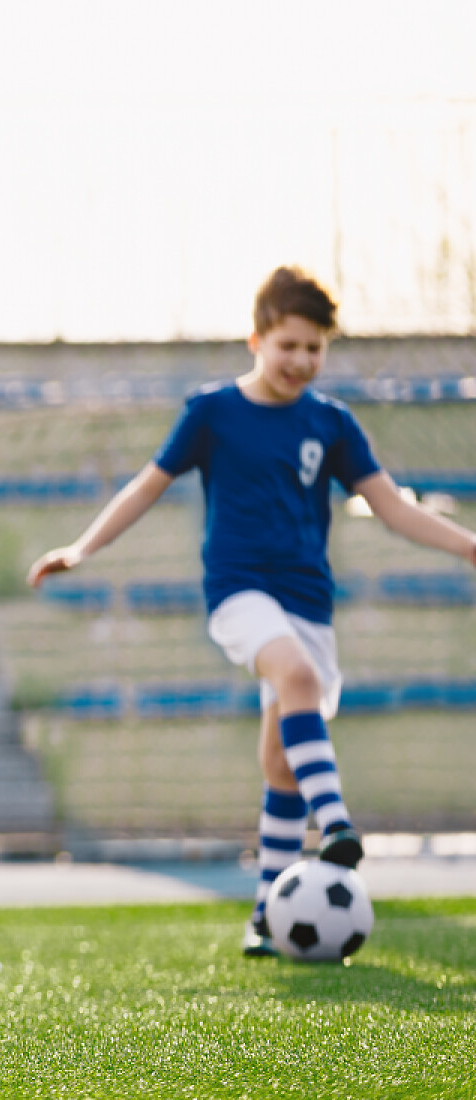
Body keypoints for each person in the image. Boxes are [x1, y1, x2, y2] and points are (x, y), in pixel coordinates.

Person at [27, 266, 476, 957]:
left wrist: (469, 547)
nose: (300, 360)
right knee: (293, 678)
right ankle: (337, 826)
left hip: (309, 603)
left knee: (279, 762)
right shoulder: (211, 412)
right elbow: (147, 487)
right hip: (238, 592)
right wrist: (82, 548)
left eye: (314, 349)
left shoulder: (331, 423)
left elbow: (391, 507)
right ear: (256, 340)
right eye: (288, 345)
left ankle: (267, 914)